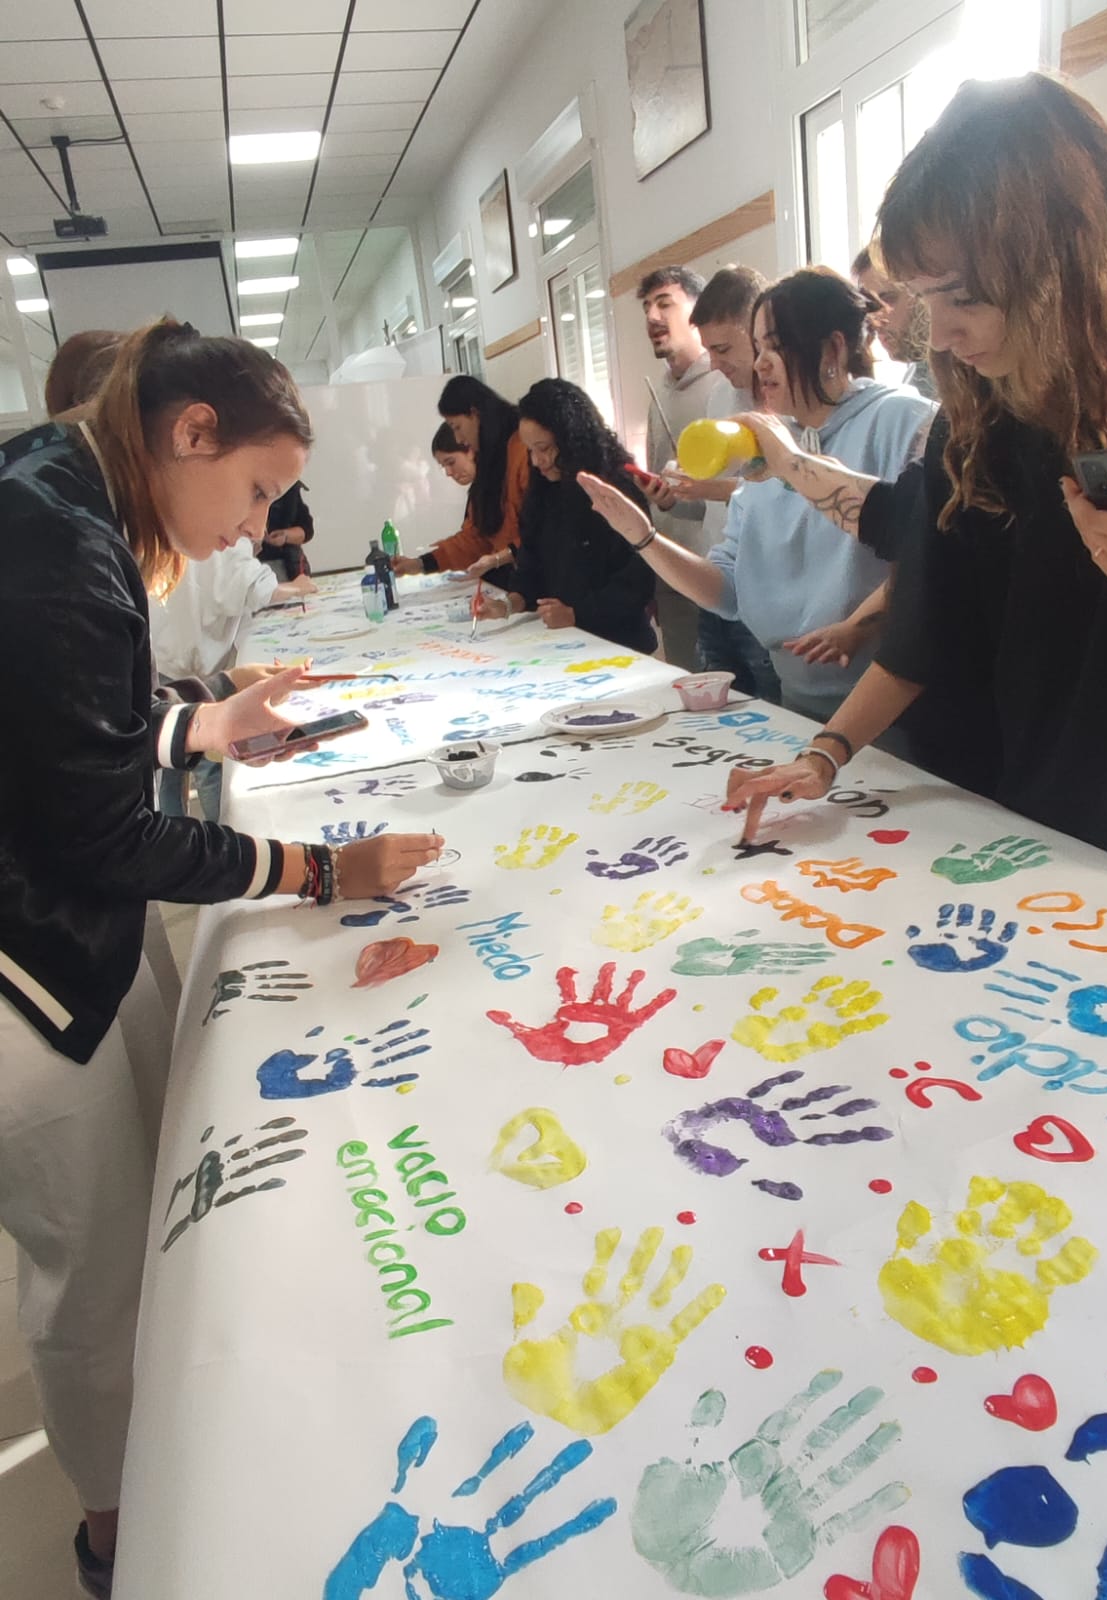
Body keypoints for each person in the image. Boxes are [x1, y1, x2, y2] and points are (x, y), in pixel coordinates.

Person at [0, 319, 443, 1597]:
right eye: (252, 490)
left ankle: (171, 1456)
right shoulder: (54, 535)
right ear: (190, 432)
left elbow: (64, 725)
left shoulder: (68, 489)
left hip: (66, 920)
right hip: (25, 966)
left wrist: (201, 726)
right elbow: (102, 829)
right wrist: (316, 870)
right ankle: (116, 1533)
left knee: (150, 1193)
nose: (254, 526)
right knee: (93, 1260)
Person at [723, 74, 1107, 893]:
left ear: (1063, 255)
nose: (938, 334)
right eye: (923, 298)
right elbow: (931, 617)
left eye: (964, 296)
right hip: (1051, 817)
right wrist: (823, 754)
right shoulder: (981, 412)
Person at [581, 269, 934, 719]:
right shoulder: (766, 444)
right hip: (796, 699)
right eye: (758, 347)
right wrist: (643, 536)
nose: (760, 364)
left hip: (894, 706)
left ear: (833, 348)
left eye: (775, 346)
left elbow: (928, 562)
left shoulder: (905, 421)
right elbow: (726, 590)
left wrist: (857, 627)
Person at [475, 378, 656, 652]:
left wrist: (576, 614)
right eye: (530, 450)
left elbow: (638, 581)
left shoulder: (614, 490)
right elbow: (531, 568)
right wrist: (508, 604)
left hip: (618, 644)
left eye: (545, 448)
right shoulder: (543, 491)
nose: (536, 461)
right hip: (564, 642)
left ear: (571, 440)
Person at [153, 540, 317, 820]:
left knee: (173, 760)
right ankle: (207, 830)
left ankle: (186, 830)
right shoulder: (222, 540)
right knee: (198, 761)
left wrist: (233, 680)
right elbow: (255, 586)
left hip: (171, 658)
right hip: (175, 664)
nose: (257, 532)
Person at [680, 265, 782, 702]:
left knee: (776, 706)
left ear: (758, 333)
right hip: (719, 571)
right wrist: (683, 487)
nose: (714, 364)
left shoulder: (789, 398)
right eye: (709, 350)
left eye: (723, 349)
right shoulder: (720, 394)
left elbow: (783, 488)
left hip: (770, 591)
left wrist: (708, 488)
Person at [636, 266, 725, 665]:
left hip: (716, 575)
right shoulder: (659, 389)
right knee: (685, 682)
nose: (652, 317)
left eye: (664, 304)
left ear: (696, 310)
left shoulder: (724, 384)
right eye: (647, 307)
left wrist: (685, 498)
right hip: (669, 572)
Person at [391, 375, 528, 579]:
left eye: (457, 427)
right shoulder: (489, 464)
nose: (459, 438)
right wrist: (421, 564)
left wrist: (499, 558)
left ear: (475, 414)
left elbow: (540, 531)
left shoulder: (521, 450)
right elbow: (475, 538)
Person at [852, 244, 936, 398]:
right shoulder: (919, 376)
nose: (875, 321)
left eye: (888, 300)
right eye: (870, 307)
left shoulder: (962, 374)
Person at [258, 478, 315, 580]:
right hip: (253, 563)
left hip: (289, 564)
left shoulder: (290, 486)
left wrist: (285, 535)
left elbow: (307, 529)